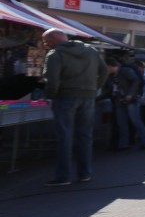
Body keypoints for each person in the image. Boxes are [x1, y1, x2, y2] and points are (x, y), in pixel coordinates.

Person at [41, 28, 108, 186]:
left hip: (65, 97)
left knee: (64, 137)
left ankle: (63, 177)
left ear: (53, 40)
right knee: (85, 136)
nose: (45, 44)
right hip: (88, 97)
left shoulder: (55, 54)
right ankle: (84, 174)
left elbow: (52, 80)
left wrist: (51, 95)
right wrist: (94, 89)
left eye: (46, 41)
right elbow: (104, 71)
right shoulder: (91, 50)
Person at [108, 57, 145, 150]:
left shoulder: (125, 71)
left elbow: (136, 81)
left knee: (135, 120)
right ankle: (124, 144)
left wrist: (131, 94)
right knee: (122, 123)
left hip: (131, 99)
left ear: (110, 66)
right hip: (120, 100)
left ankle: (144, 141)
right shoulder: (112, 76)